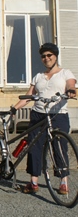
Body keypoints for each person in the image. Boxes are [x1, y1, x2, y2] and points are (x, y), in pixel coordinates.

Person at [10, 43, 76, 194]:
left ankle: (63, 182)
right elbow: (29, 96)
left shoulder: (65, 73)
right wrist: (14, 108)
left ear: (55, 56)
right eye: (43, 56)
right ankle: (33, 182)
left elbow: (72, 86)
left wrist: (71, 91)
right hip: (38, 115)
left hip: (58, 115)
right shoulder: (38, 76)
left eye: (49, 55)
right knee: (34, 147)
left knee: (59, 147)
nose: (46, 58)